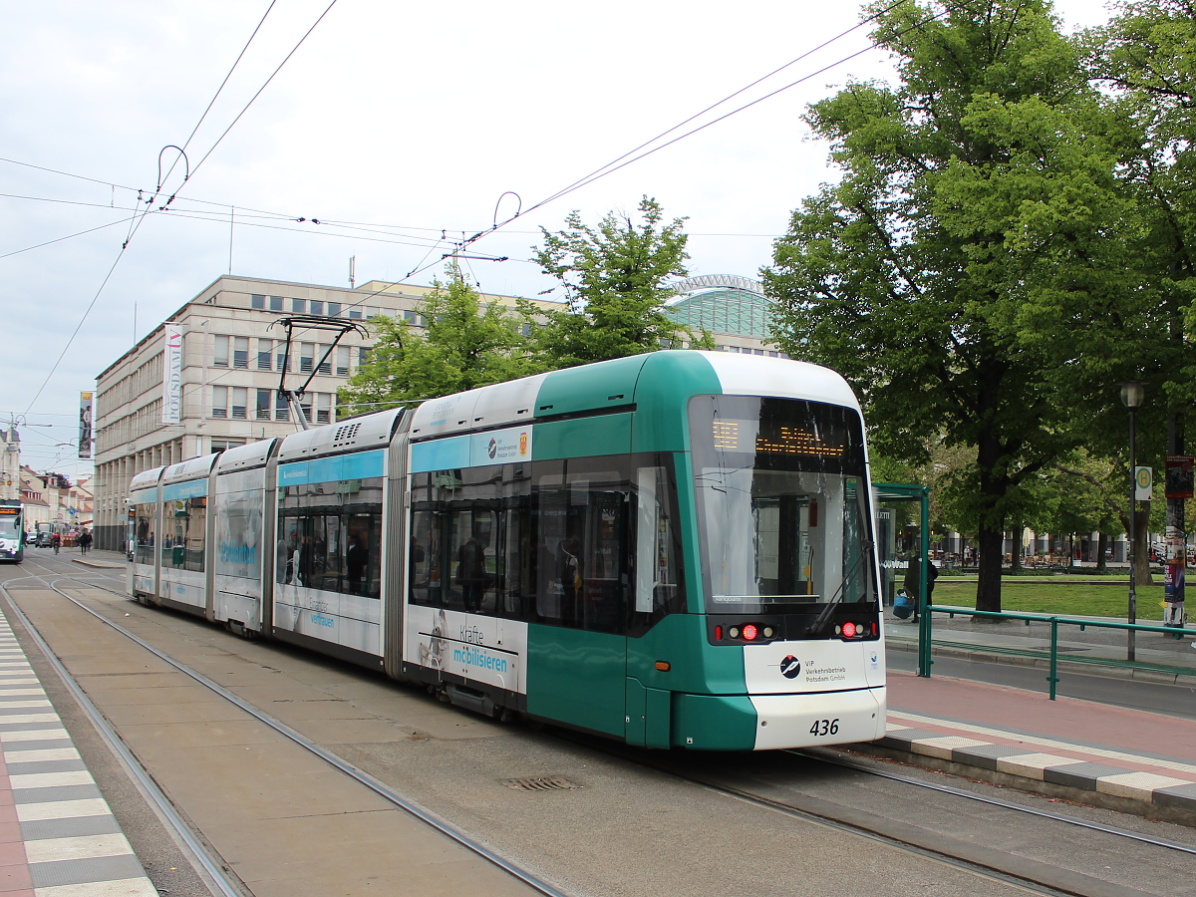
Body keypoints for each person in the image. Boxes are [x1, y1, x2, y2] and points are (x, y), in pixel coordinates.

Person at [903, 553, 938, 623]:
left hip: (917, 584)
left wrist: (907, 585)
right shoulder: (929, 565)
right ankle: (927, 615)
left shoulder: (913, 565)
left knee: (917, 600)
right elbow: (935, 574)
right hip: (928, 584)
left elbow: (909, 576)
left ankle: (918, 616)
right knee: (928, 599)